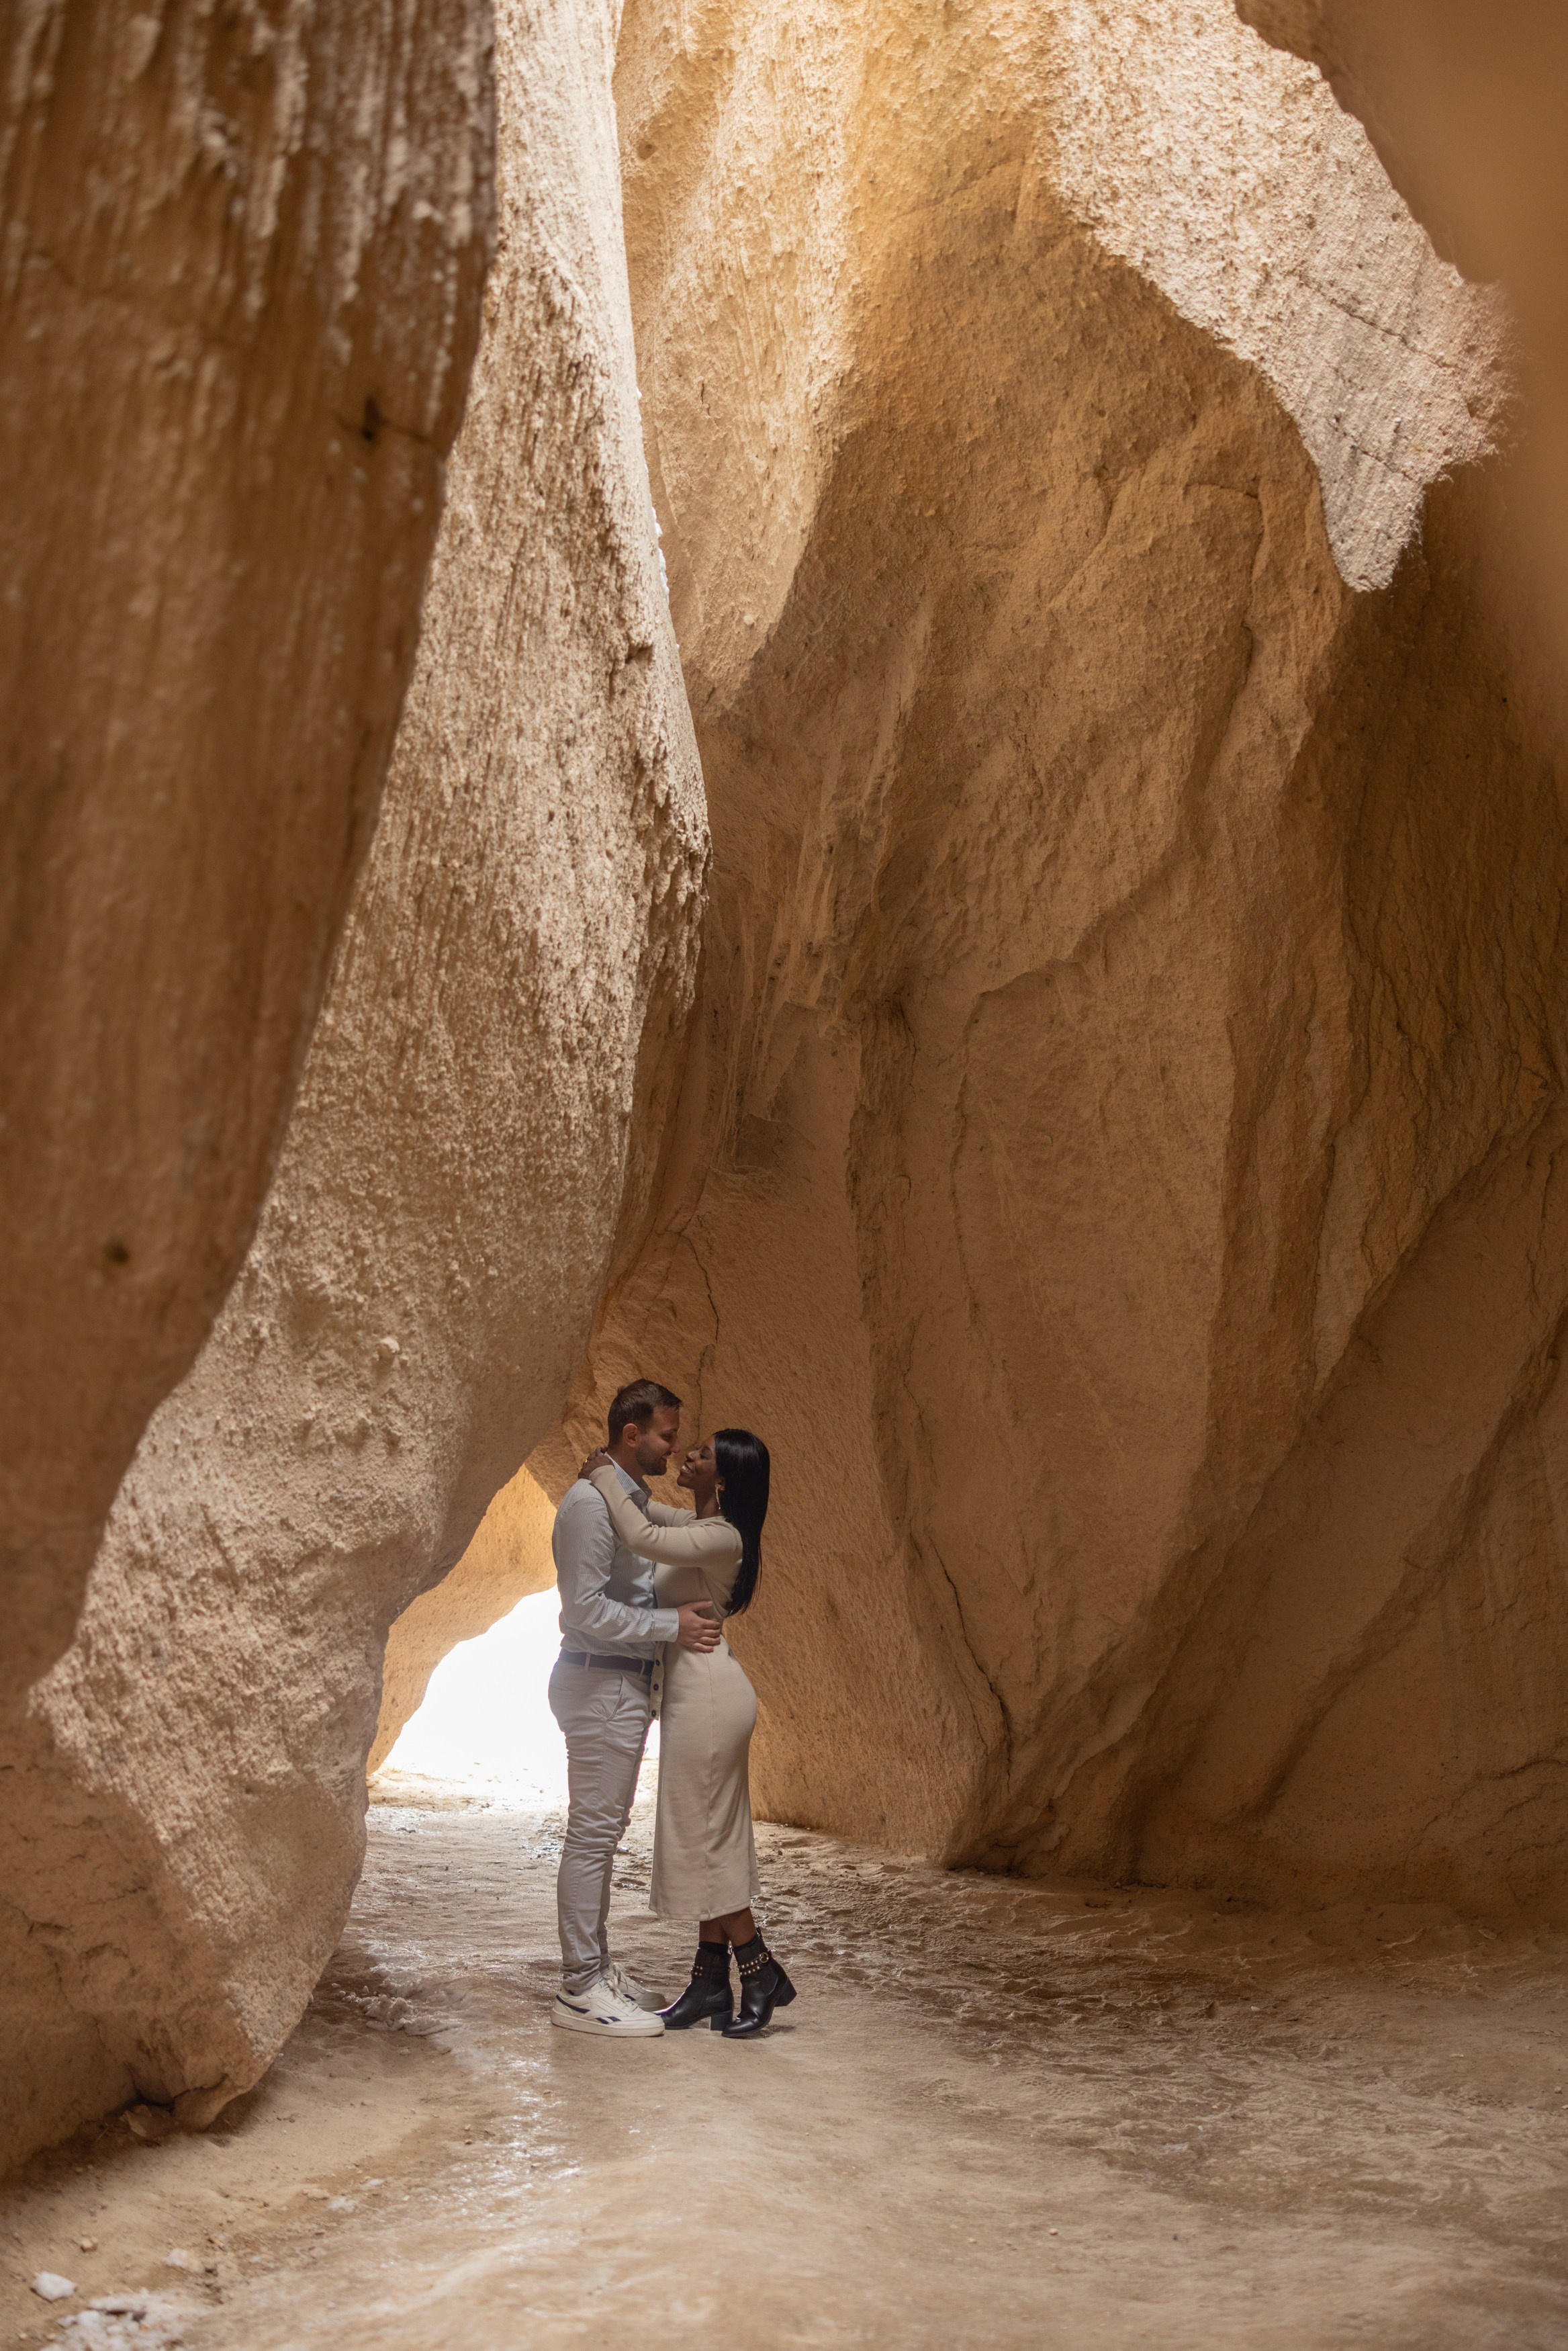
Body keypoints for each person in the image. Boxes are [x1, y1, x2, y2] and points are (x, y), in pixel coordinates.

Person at [580, 1423, 794, 2039]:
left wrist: (599, 1475)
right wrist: (619, 1477)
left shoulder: (721, 1537)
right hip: (695, 1695)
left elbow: (639, 1531)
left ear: (722, 1478)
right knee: (710, 1838)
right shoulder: (701, 1526)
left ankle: (759, 1970)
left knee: (703, 1841)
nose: (688, 1455)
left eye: (701, 1454)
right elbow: (649, 1512)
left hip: (706, 1697)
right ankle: (708, 1984)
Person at [548, 1378, 723, 2037]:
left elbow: (698, 1537)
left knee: (601, 1832)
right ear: (631, 1434)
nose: (672, 1446)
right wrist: (669, 1625)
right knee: (591, 1834)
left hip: (615, 1682)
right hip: (598, 1681)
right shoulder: (592, 1506)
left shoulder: (626, 1501)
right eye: (665, 1435)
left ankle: (596, 1969)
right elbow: (583, 1608)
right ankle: (578, 1987)